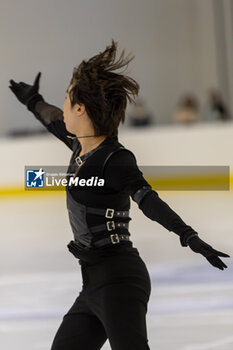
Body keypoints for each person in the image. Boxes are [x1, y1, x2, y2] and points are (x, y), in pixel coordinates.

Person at [9, 40, 230, 350]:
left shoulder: (115, 159)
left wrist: (188, 236)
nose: (62, 108)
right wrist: (33, 100)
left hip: (119, 281)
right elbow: (51, 118)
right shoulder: (80, 145)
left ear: (80, 109)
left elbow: (148, 200)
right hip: (93, 284)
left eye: (66, 99)